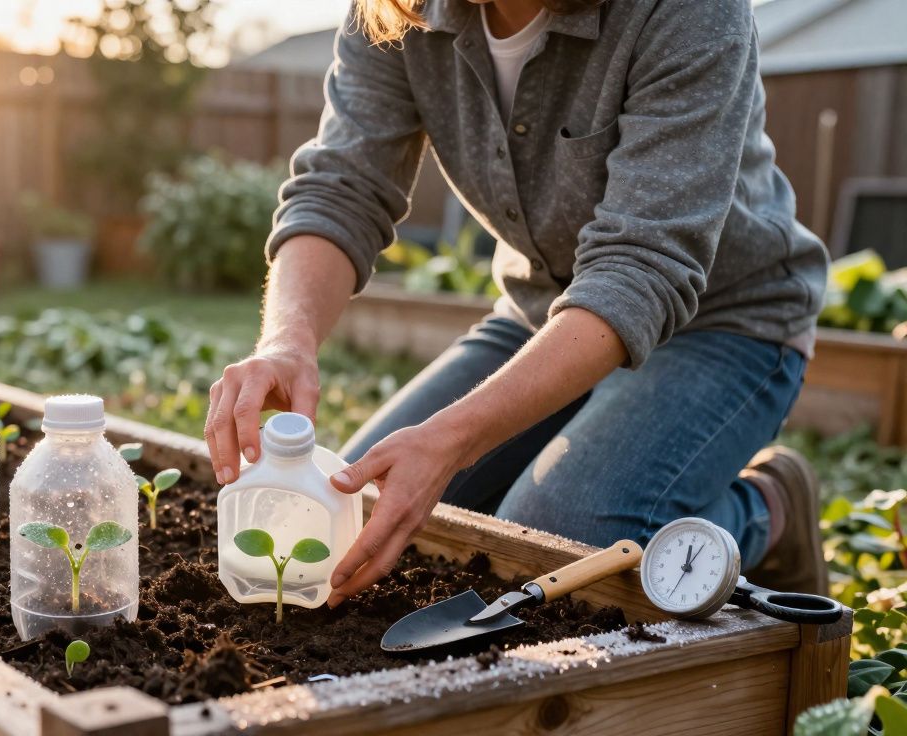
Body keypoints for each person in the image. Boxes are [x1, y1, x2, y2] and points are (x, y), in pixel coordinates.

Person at [204, 0, 830, 605]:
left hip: (724, 323)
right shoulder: (397, 8)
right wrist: (288, 341)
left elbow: (643, 265)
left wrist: (453, 438)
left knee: (554, 537)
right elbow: (342, 190)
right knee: (374, 510)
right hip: (541, 315)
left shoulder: (686, 11)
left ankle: (770, 511)